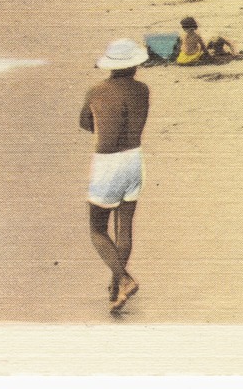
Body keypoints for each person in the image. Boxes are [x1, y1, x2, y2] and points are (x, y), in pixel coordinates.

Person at [80, 39, 150, 314]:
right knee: (124, 226)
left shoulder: (96, 91)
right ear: (134, 65)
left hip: (108, 163)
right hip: (134, 159)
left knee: (97, 228)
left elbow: (85, 123)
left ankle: (124, 278)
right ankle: (116, 286)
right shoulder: (143, 90)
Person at [173, 16, 238, 65]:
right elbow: (203, 47)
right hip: (193, 56)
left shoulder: (183, 35)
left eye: (183, 27)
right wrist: (208, 54)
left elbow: (182, 46)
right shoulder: (197, 36)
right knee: (201, 48)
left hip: (185, 57)